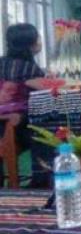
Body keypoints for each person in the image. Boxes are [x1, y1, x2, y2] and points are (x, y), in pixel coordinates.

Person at [0, 24, 48, 154]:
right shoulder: (31, 69)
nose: (40, 41)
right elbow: (41, 101)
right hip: (15, 127)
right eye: (38, 38)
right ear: (29, 44)